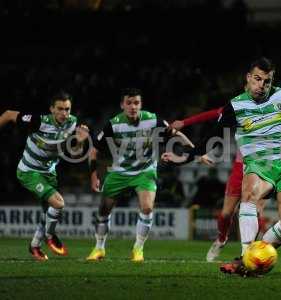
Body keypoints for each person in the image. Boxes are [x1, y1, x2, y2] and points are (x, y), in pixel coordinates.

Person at [162, 57, 281, 275]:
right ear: (248, 78)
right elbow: (210, 139)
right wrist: (184, 157)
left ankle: (249, 261)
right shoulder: (235, 106)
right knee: (249, 194)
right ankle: (247, 258)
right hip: (258, 164)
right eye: (257, 79)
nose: (262, 85)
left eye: (267, 81)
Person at [86, 88, 192, 262]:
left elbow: (175, 132)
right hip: (119, 172)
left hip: (144, 171)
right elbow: (93, 151)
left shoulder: (152, 120)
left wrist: (195, 151)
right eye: (129, 103)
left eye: (136, 103)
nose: (133, 107)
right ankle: (99, 248)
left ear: (141, 105)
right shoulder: (113, 124)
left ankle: (138, 249)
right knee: (104, 210)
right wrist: (94, 176)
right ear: (122, 105)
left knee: (147, 207)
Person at [170, 107, 268, 262]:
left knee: (255, 210)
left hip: (265, 169)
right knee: (226, 214)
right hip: (240, 168)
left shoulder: (273, 107)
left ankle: (248, 253)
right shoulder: (240, 105)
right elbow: (211, 114)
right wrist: (184, 122)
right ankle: (221, 239)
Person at [0, 91, 89, 261]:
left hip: (49, 172)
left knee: (49, 211)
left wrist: (80, 140)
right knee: (58, 203)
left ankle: (34, 246)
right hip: (29, 171)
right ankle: (49, 236)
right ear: (52, 109)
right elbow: (9, 114)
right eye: (60, 109)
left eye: (67, 109)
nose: (64, 113)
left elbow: (74, 153)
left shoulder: (72, 123)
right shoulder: (38, 121)